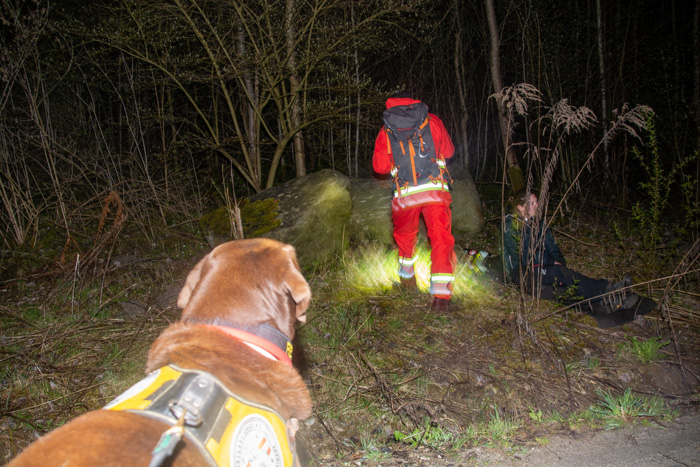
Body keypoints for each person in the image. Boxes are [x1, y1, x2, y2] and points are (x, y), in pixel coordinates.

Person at [373, 92, 457, 311]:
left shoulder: (386, 129)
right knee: (440, 239)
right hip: (435, 190)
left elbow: (379, 167)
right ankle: (441, 298)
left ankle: (407, 280)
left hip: (405, 193)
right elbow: (449, 151)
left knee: (404, 237)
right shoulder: (432, 121)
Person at [502, 190, 638, 312]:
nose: (536, 205)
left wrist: (559, 260)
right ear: (520, 207)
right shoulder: (510, 226)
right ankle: (607, 292)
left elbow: (551, 245)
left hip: (540, 264)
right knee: (560, 275)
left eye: (536, 201)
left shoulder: (538, 222)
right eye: (531, 203)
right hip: (522, 271)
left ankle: (610, 294)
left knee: (565, 276)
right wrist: (551, 262)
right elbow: (522, 255)